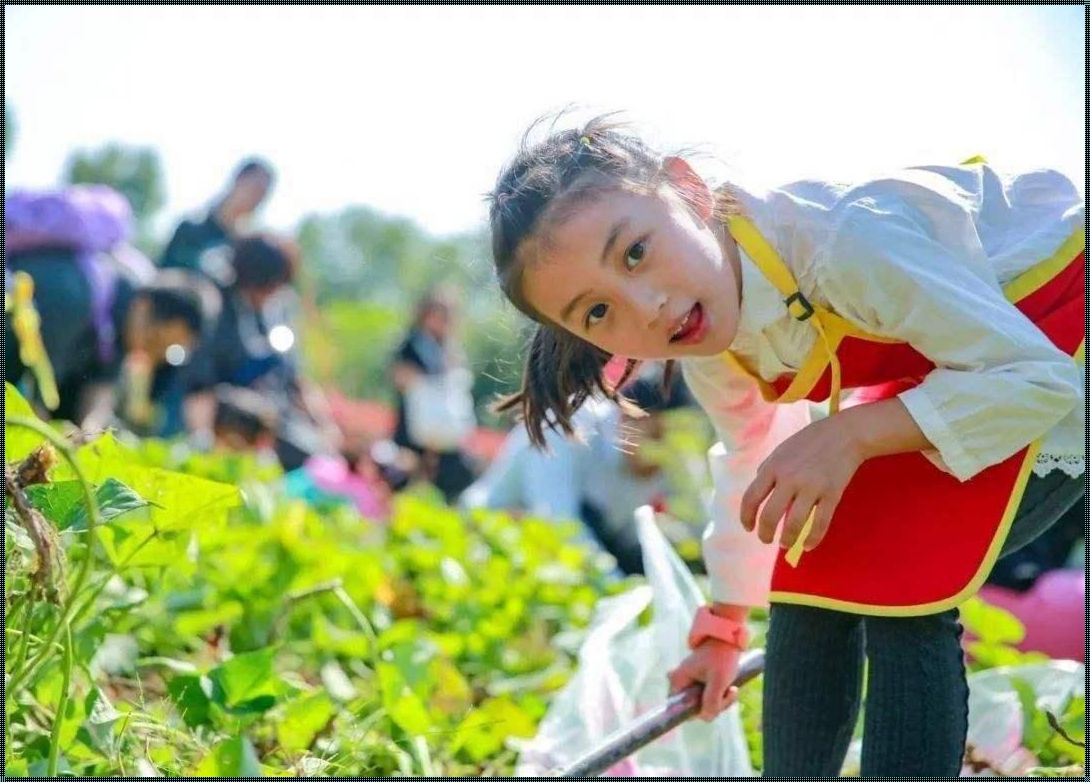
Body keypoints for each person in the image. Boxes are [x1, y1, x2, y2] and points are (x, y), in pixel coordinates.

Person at [484, 116, 1083, 776]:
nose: (646, 307)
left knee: (904, 572)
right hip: (960, 364)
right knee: (807, 543)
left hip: (1055, 332)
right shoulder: (709, 330)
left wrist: (852, 433)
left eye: (634, 252)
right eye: (598, 313)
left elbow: (1038, 378)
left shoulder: (845, 241)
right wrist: (724, 624)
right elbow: (752, 459)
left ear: (688, 190)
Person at [460, 372, 692, 575]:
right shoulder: (567, 426)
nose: (666, 452)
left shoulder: (667, 456)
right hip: (487, 537)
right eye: (657, 437)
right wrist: (623, 592)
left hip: (585, 553)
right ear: (627, 419)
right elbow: (557, 525)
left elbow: (699, 523)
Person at [181, 233, 341, 470]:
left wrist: (325, 424)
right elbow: (199, 385)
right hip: (230, 423)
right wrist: (202, 444)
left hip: (276, 421)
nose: (270, 292)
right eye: (265, 286)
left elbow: (295, 378)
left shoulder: (280, 312)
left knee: (319, 460)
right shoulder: (218, 309)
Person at [389, 288, 478, 504]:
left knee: (455, 479)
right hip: (414, 429)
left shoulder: (450, 348)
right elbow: (399, 377)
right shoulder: (411, 344)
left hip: (446, 434)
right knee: (406, 482)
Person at [158, 158, 275, 284]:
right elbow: (164, 275)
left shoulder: (246, 248)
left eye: (264, 194)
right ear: (239, 178)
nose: (257, 198)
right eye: (256, 188)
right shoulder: (191, 227)